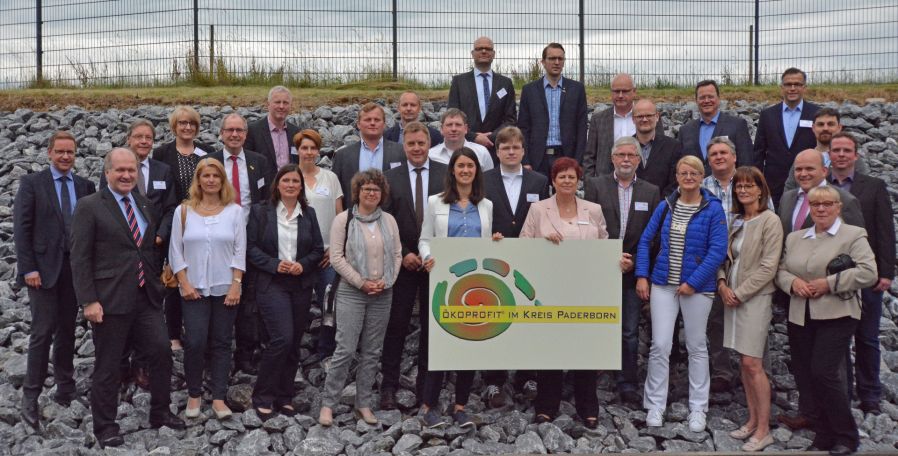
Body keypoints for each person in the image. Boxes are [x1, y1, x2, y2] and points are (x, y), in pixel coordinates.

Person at [72, 148, 184, 448]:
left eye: (131, 170)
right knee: (108, 365)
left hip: (145, 297)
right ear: (107, 172)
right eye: (119, 170)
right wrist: (88, 301)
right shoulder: (89, 206)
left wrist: (158, 281)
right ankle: (105, 426)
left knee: (161, 352)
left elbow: (146, 249)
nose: (126, 175)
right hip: (109, 301)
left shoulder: (145, 204)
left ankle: (160, 412)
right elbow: (80, 258)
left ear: (138, 172)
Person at [776, 186, 877, 456]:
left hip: (837, 313)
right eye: (816, 204)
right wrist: (793, 283)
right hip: (801, 314)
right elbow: (781, 271)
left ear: (838, 207)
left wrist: (829, 283)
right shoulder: (796, 238)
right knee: (808, 375)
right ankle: (823, 434)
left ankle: (846, 435)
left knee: (824, 372)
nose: (821, 208)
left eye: (827, 204)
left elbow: (869, 273)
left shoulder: (853, 235)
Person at [635, 155, 728, 432]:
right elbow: (645, 240)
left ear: (702, 177)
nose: (688, 177)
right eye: (683, 173)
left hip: (697, 290)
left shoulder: (712, 209)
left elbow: (717, 251)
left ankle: (698, 407)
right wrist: (642, 275)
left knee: (697, 346)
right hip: (663, 284)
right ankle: (655, 405)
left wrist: (694, 281)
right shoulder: (666, 206)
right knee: (660, 345)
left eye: (694, 173)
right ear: (676, 176)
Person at [15, 131, 96, 430]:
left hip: (74, 270)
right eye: (60, 151)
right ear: (49, 153)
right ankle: (30, 395)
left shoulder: (85, 186)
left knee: (67, 329)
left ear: (75, 155)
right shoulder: (32, 184)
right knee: (41, 331)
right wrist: (28, 269)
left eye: (70, 152)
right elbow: (22, 229)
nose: (65, 157)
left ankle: (65, 385)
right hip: (43, 271)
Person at [521, 157, 608, 428]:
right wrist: (543, 243)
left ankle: (588, 407)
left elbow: (604, 246)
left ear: (578, 180)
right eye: (562, 177)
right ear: (553, 180)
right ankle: (546, 405)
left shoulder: (593, 210)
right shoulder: (538, 209)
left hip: (585, 289)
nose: (567, 181)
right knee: (551, 348)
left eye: (571, 177)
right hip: (549, 288)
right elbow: (523, 244)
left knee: (584, 349)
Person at [417, 148, 495, 429]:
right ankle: (429, 404)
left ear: (477, 170)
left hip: (474, 285)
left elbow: (486, 244)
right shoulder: (434, 202)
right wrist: (427, 258)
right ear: (452, 170)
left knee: (468, 342)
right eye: (460, 165)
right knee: (438, 342)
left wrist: (496, 242)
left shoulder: (486, 205)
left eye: (470, 166)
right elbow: (425, 239)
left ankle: (460, 405)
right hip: (443, 282)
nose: (465, 170)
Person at [319, 169, 402, 427]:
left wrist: (386, 282)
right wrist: (362, 283)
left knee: (372, 351)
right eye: (366, 189)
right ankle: (328, 404)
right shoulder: (344, 220)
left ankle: (363, 403)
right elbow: (336, 258)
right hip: (351, 292)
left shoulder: (388, 221)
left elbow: (397, 253)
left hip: (382, 293)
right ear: (358, 192)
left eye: (375, 189)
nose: (371, 193)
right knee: (344, 349)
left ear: (382, 194)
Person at [100, 120, 178, 390]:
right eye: (138, 137)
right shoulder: (116, 168)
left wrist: (160, 235)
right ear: (128, 139)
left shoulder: (162, 170)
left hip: (151, 253)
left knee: (149, 310)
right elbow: (105, 207)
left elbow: (170, 208)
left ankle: (142, 363)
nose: (144, 141)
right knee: (120, 309)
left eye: (148, 137)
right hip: (121, 259)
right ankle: (120, 365)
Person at [584, 136, 660, 405]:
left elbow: (652, 236)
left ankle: (627, 383)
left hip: (632, 271)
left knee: (629, 331)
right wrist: (610, 256)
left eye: (632, 155)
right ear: (612, 158)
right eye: (621, 155)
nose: (626, 159)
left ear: (639, 160)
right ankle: (589, 378)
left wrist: (638, 267)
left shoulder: (651, 192)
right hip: (601, 270)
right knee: (595, 324)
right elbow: (588, 226)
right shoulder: (595, 186)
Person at [168, 158, 246, 420]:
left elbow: (239, 250)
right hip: (193, 289)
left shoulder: (234, 211)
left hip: (226, 288)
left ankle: (220, 398)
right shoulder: (183, 211)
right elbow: (175, 250)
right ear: (198, 180)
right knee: (195, 341)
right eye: (206, 176)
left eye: (216, 176)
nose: (211, 180)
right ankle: (194, 394)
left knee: (223, 342)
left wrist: (236, 285)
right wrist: (184, 283)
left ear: (222, 181)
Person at [379, 122, 448, 410]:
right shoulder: (389, 178)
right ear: (403, 146)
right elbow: (383, 221)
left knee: (433, 329)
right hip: (403, 263)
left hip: (436, 263)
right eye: (411, 144)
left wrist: (437, 253)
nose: (417, 149)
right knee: (395, 326)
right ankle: (388, 387)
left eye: (421, 143)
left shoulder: (447, 176)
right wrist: (405, 253)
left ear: (428, 144)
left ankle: (426, 393)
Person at [247, 164, 324, 420]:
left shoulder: (309, 214)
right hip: (272, 282)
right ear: (277, 184)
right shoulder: (261, 212)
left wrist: (304, 264)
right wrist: (275, 264)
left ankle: (284, 395)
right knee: (281, 337)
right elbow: (251, 248)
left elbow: (317, 249)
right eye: (286, 180)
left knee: (293, 343)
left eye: (295, 181)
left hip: (300, 283)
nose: (291, 185)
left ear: (301, 186)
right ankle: (263, 395)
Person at [716, 167, 783, 452]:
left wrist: (740, 293)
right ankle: (752, 420)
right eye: (739, 186)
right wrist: (721, 285)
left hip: (754, 298)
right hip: (732, 296)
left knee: (754, 363)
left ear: (760, 189)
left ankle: (765, 429)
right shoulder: (736, 221)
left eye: (748, 186)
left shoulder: (771, 221)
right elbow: (725, 256)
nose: (743, 190)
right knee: (744, 362)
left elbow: (769, 266)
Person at [828, 132, 896, 415]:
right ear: (829, 155)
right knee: (838, 337)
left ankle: (870, 394)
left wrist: (886, 272)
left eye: (846, 150)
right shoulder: (822, 188)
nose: (841, 155)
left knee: (867, 337)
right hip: (833, 275)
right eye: (836, 150)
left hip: (866, 275)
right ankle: (843, 390)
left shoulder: (874, 186)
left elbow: (885, 230)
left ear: (856, 155)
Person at [481, 125, 549, 407]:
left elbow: (545, 215)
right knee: (494, 313)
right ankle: (494, 381)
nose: (511, 151)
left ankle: (527, 375)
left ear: (523, 150)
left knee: (528, 315)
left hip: (530, 259)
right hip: (495, 257)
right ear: (496, 151)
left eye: (515, 147)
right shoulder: (483, 180)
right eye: (505, 147)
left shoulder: (539, 181)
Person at [210, 113, 275, 374]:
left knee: (249, 300)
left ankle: (246, 353)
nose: (235, 135)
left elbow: (265, 201)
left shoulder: (258, 162)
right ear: (222, 133)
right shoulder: (210, 161)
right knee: (217, 296)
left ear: (246, 135)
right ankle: (215, 351)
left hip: (251, 241)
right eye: (230, 130)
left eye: (239, 130)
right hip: (218, 241)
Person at [152, 106, 215, 351]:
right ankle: (173, 333)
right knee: (175, 275)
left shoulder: (207, 153)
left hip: (203, 220)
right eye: (182, 123)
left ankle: (201, 330)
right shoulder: (161, 154)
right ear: (174, 127)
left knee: (200, 272)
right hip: (176, 221)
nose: (187, 127)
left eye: (191, 123)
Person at [295, 129, 344, 365]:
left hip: (327, 254)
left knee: (329, 302)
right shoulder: (288, 177)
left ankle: (326, 348)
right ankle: (293, 349)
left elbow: (339, 216)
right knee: (297, 304)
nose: (309, 152)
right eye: (304, 148)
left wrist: (334, 249)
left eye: (313, 148)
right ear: (297, 150)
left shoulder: (330, 178)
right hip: (298, 256)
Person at [517, 43, 588, 176]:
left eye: (560, 59)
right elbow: (523, 128)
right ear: (543, 62)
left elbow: (581, 128)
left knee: (564, 196)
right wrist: (525, 160)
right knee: (537, 197)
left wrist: (578, 161)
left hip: (566, 156)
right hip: (538, 158)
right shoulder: (529, 90)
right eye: (552, 58)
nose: (556, 62)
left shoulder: (576, 89)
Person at [753, 68, 820, 206]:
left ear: (804, 87)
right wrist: (757, 181)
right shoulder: (767, 115)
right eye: (788, 85)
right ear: (781, 88)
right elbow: (759, 151)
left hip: (808, 183)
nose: (792, 88)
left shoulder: (816, 113)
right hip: (773, 185)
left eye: (797, 84)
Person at [447, 36, 517, 158]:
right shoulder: (459, 82)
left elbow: (510, 119)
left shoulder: (505, 83)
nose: (484, 51)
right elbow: (452, 116)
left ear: (493, 54)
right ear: (472, 53)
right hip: (466, 148)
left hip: (496, 149)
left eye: (488, 49)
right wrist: (474, 136)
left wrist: (491, 137)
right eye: (479, 48)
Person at [583, 73, 662, 178]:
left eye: (625, 91)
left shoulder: (648, 118)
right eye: (616, 91)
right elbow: (589, 157)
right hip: (605, 185)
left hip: (642, 184)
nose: (620, 95)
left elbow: (660, 150)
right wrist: (590, 185)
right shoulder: (598, 120)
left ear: (634, 92)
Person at [331, 103, 405, 205]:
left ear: (384, 124)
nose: (372, 123)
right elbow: (336, 193)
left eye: (377, 120)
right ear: (358, 124)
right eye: (367, 120)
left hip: (391, 217)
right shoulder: (342, 156)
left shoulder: (401, 152)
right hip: (354, 217)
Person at [782, 108, 869, 194]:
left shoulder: (850, 159)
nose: (825, 128)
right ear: (813, 128)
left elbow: (865, 190)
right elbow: (789, 193)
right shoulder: (802, 158)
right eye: (820, 124)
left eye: (830, 124)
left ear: (839, 127)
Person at [678, 80, 753, 171]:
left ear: (718, 99)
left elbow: (746, 163)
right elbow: (680, 165)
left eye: (710, 97)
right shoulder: (685, 130)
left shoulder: (737, 126)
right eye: (702, 97)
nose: (706, 101)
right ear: (696, 101)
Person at [628, 99, 682, 195]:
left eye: (649, 115)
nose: (644, 119)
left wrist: (659, 205)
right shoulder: (625, 147)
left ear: (657, 117)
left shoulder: (673, 147)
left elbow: (676, 181)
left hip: (662, 206)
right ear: (633, 119)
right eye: (640, 116)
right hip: (629, 206)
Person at [244, 85, 301, 169]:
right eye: (277, 102)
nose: (281, 106)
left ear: (290, 105)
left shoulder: (296, 132)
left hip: (290, 181)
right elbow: (247, 163)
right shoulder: (253, 131)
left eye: (285, 103)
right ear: (268, 104)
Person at [428, 108, 495, 171]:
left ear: (465, 129)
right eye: (449, 125)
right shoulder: (431, 155)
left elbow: (489, 180)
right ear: (442, 129)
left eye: (458, 125)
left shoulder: (482, 153)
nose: (453, 129)